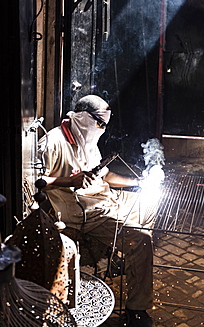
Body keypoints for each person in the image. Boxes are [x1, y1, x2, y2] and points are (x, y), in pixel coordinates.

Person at [38, 94, 155, 327]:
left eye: (105, 124)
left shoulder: (88, 139)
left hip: (104, 199)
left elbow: (106, 176)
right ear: (82, 117)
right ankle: (137, 309)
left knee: (151, 204)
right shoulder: (53, 142)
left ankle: (122, 259)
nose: (102, 128)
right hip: (85, 214)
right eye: (99, 122)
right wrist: (68, 182)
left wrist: (138, 182)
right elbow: (38, 180)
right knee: (141, 239)